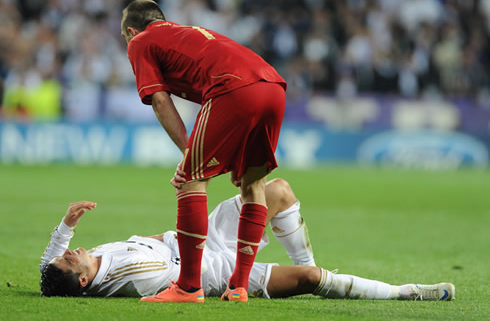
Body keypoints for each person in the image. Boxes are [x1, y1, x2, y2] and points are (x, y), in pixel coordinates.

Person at [40, 178, 455, 302]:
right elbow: (187, 269)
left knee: (278, 191)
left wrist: (66, 224)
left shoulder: (89, 265)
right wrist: (240, 255)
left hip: (196, 240)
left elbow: (48, 267)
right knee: (310, 277)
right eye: (70, 261)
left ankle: (310, 262)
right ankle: (407, 293)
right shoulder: (129, 274)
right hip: (216, 264)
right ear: (82, 281)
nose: (70, 254)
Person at [121, 0, 287, 303]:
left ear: (131, 31)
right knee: (253, 185)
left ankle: (187, 287)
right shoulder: (188, 33)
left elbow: (159, 101)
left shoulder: (140, 42)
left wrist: (189, 155)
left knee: (190, 180)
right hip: (274, 86)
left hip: (233, 87)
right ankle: (238, 286)